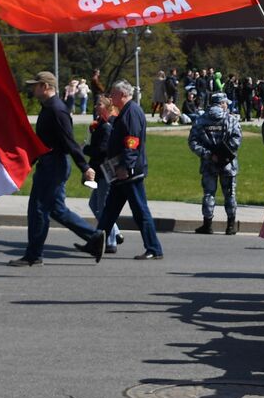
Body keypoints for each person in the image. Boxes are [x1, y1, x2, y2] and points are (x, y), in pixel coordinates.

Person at [10, 71, 102, 267]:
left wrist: (85, 167)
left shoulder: (56, 110)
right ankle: (94, 237)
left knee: (38, 209)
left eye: (35, 85)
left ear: (45, 86)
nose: (32, 88)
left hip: (54, 165)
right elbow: (43, 141)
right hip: (50, 163)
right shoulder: (49, 107)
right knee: (56, 209)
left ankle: (33, 256)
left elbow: (69, 141)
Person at [87, 81, 164, 260]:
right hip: (121, 173)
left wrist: (126, 167)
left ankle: (154, 249)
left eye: (113, 93)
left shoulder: (131, 112)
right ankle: (93, 244)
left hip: (129, 173)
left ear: (122, 94)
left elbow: (132, 141)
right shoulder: (126, 111)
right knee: (108, 212)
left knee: (140, 211)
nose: (110, 97)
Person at [189, 92, 243, 235]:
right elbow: (236, 140)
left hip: (209, 163)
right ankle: (231, 225)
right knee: (230, 194)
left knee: (209, 194)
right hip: (228, 164)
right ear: (222, 103)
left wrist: (209, 155)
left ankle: (208, 224)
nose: (227, 105)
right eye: (226, 103)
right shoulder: (231, 120)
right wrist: (223, 155)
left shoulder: (201, 120)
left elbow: (193, 142)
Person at [78, 95, 123, 255]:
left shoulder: (107, 127)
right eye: (96, 104)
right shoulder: (101, 124)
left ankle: (110, 242)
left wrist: (85, 149)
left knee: (103, 207)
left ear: (106, 107)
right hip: (98, 171)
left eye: (99, 104)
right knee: (94, 204)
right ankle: (116, 232)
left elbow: (103, 150)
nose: (96, 107)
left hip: (105, 170)